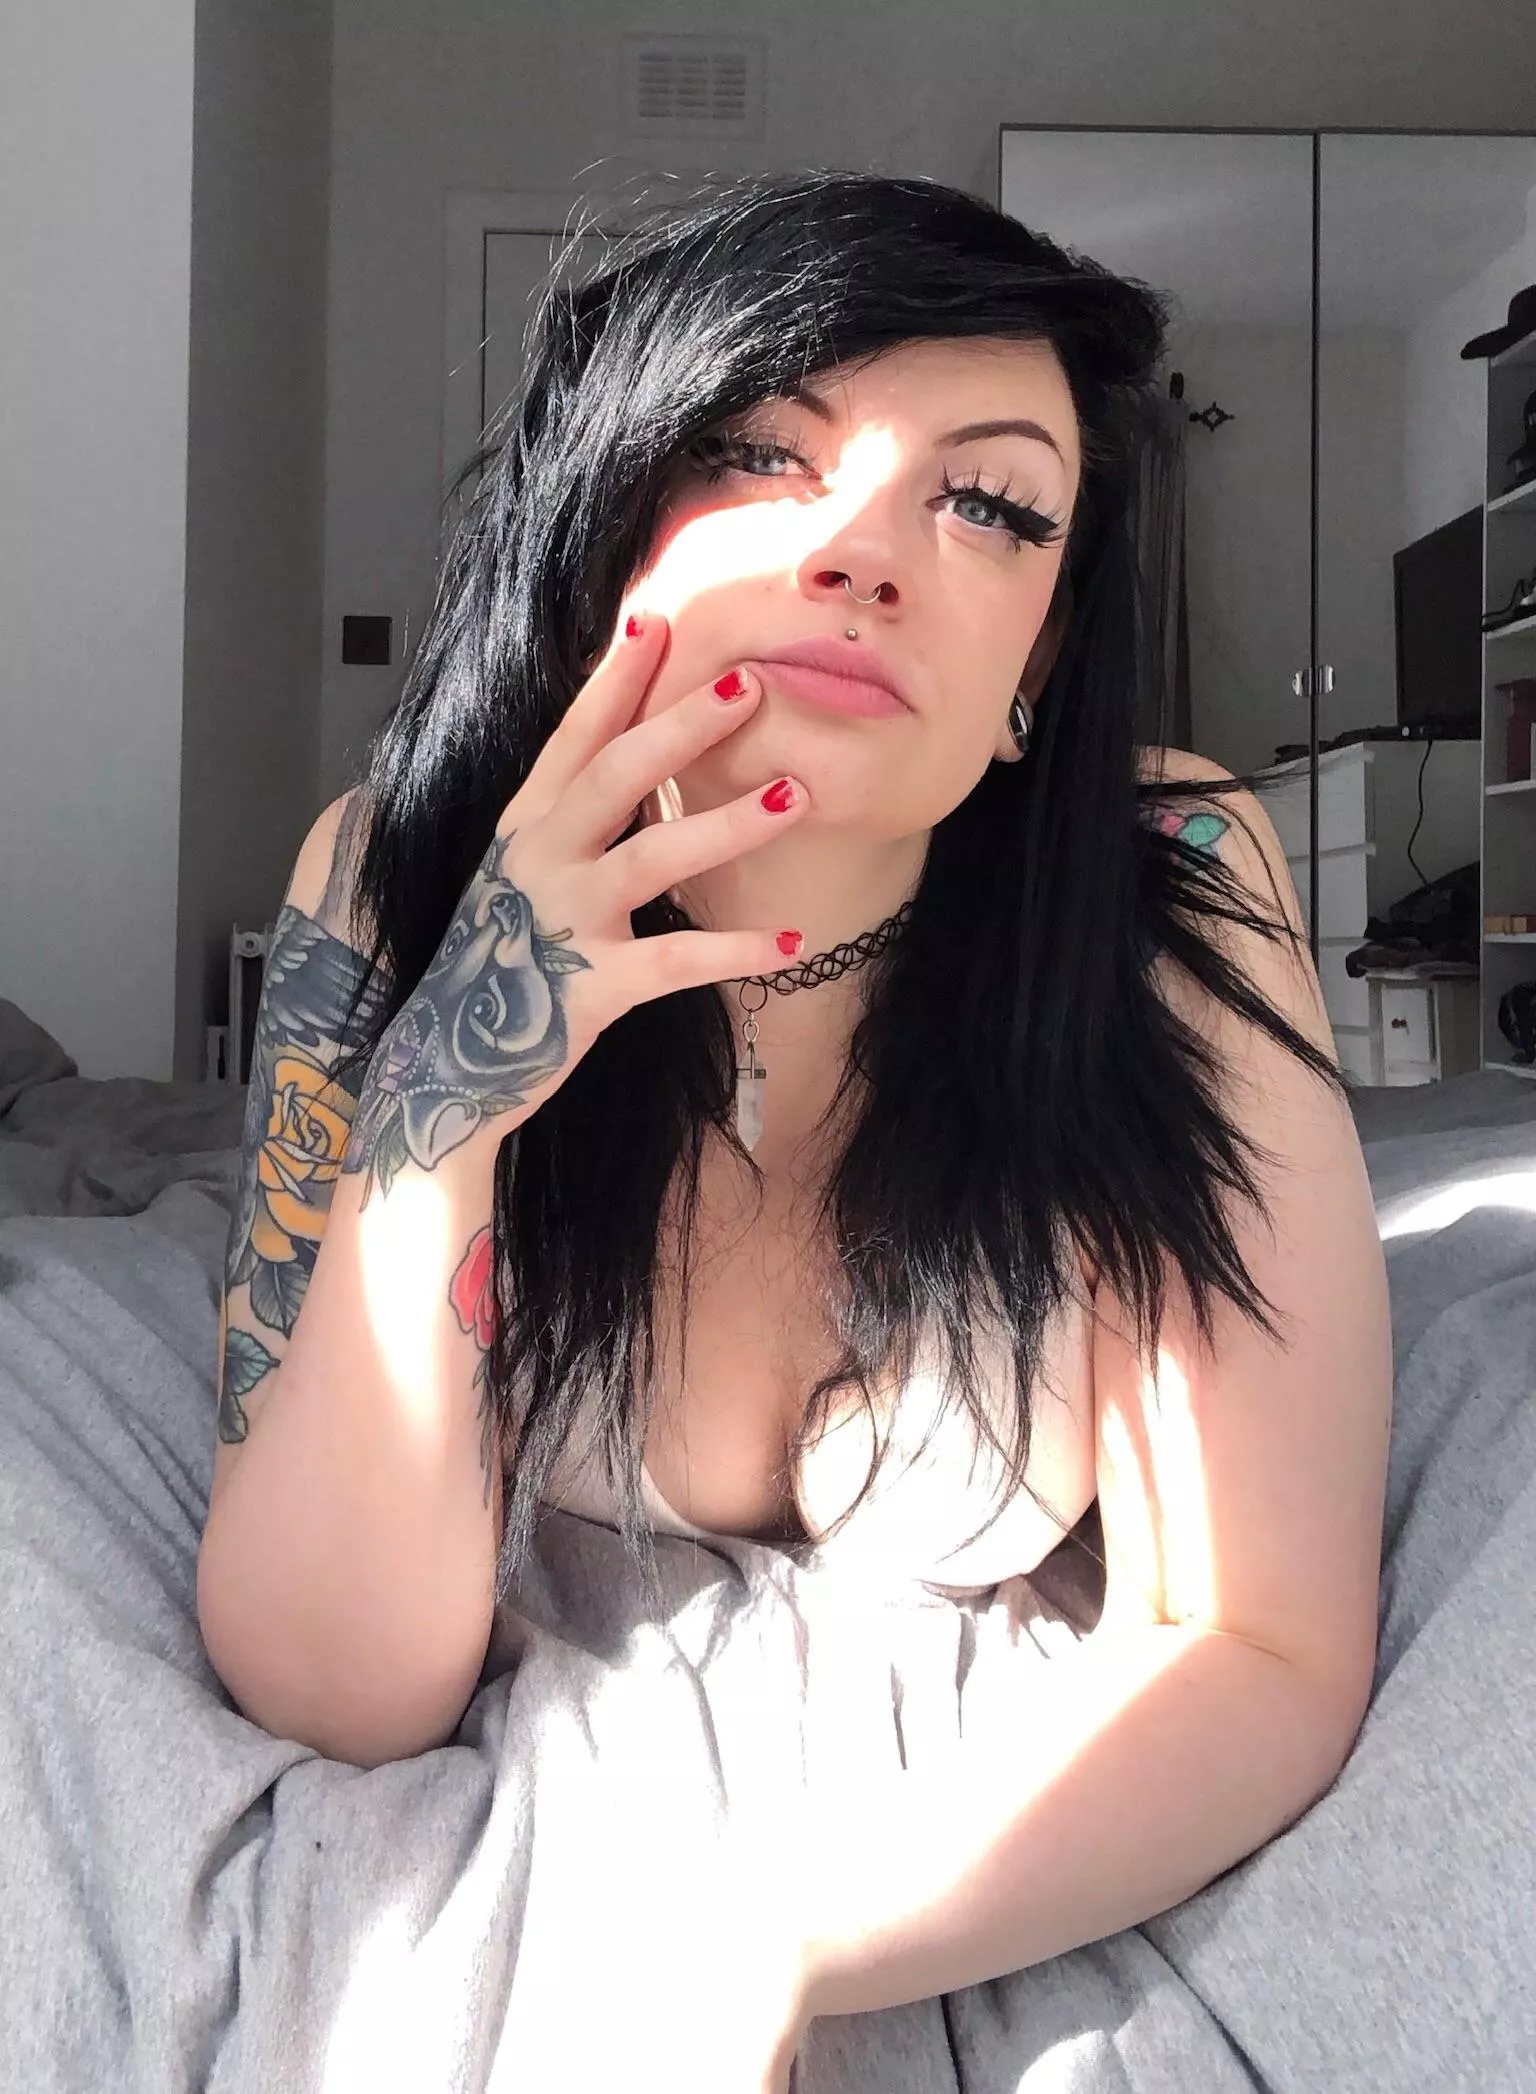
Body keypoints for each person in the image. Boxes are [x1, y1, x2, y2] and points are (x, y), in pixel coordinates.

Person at [195, 170, 1389, 1809]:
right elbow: (335, 1689)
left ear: (1037, 663)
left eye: (991, 504)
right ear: (607, 526)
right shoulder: (382, 877)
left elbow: (1263, 1643)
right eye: (762, 452)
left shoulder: (1173, 876)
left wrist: (791, 1930)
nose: (861, 550)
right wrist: (449, 1106)